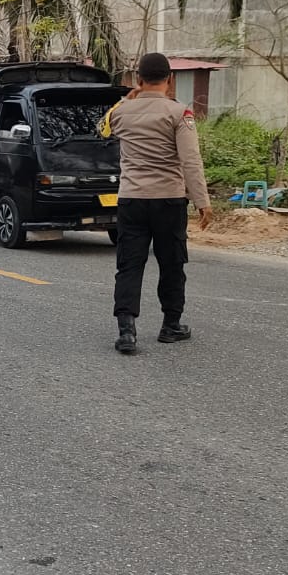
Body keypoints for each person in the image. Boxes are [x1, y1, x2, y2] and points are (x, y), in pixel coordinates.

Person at [101, 51, 213, 355]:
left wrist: (127, 99)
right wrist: (202, 201)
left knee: (129, 264)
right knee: (172, 263)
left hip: (131, 200)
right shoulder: (179, 113)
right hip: (169, 200)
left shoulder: (122, 113)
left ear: (138, 79)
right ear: (171, 80)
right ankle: (170, 326)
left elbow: (102, 128)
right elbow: (191, 160)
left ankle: (126, 330)